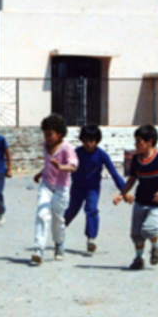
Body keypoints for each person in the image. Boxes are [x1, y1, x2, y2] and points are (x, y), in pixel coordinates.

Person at [113, 124, 158, 270]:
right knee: (136, 233)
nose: (136, 145)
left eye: (139, 141)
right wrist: (122, 194)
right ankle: (139, 258)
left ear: (149, 142)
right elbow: (132, 178)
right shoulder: (136, 160)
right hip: (140, 200)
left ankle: (157, 245)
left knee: (149, 229)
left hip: (156, 202)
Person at [64, 125, 125, 253]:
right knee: (72, 210)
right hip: (77, 188)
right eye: (85, 140)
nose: (88, 144)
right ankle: (60, 229)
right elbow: (63, 165)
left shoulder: (102, 155)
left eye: (91, 141)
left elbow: (113, 173)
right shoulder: (77, 153)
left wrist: (124, 190)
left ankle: (91, 238)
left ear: (97, 141)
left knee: (91, 210)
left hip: (92, 188)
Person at [31, 113, 79, 265]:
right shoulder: (45, 146)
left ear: (59, 133)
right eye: (45, 134)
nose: (47, 137)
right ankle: (39, 249)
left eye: (50, 134)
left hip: (61, 188)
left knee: (57, 219)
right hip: (46, 185)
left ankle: (59, 243)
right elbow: (47, 165)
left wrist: (61, 166)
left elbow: (73, 166)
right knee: (41, 213)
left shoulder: (66, 148)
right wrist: (40, 173)